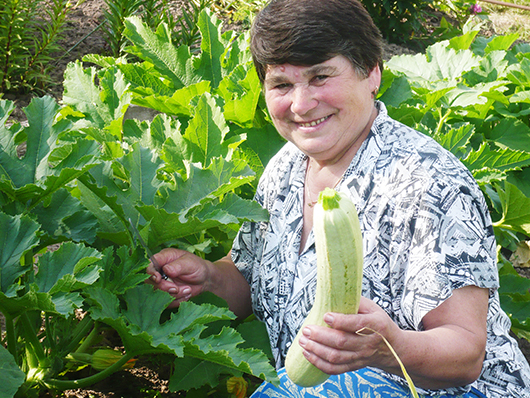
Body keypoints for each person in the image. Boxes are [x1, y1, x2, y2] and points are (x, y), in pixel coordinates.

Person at [148, 0, 530, 396]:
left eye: (320, 77)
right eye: (281, 84)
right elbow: (249, 279)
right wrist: (208, 277)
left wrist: (389, 348)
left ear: (372, 74)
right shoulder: (285, 168)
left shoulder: (431, 183)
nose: (301, 103)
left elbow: (464, 353)